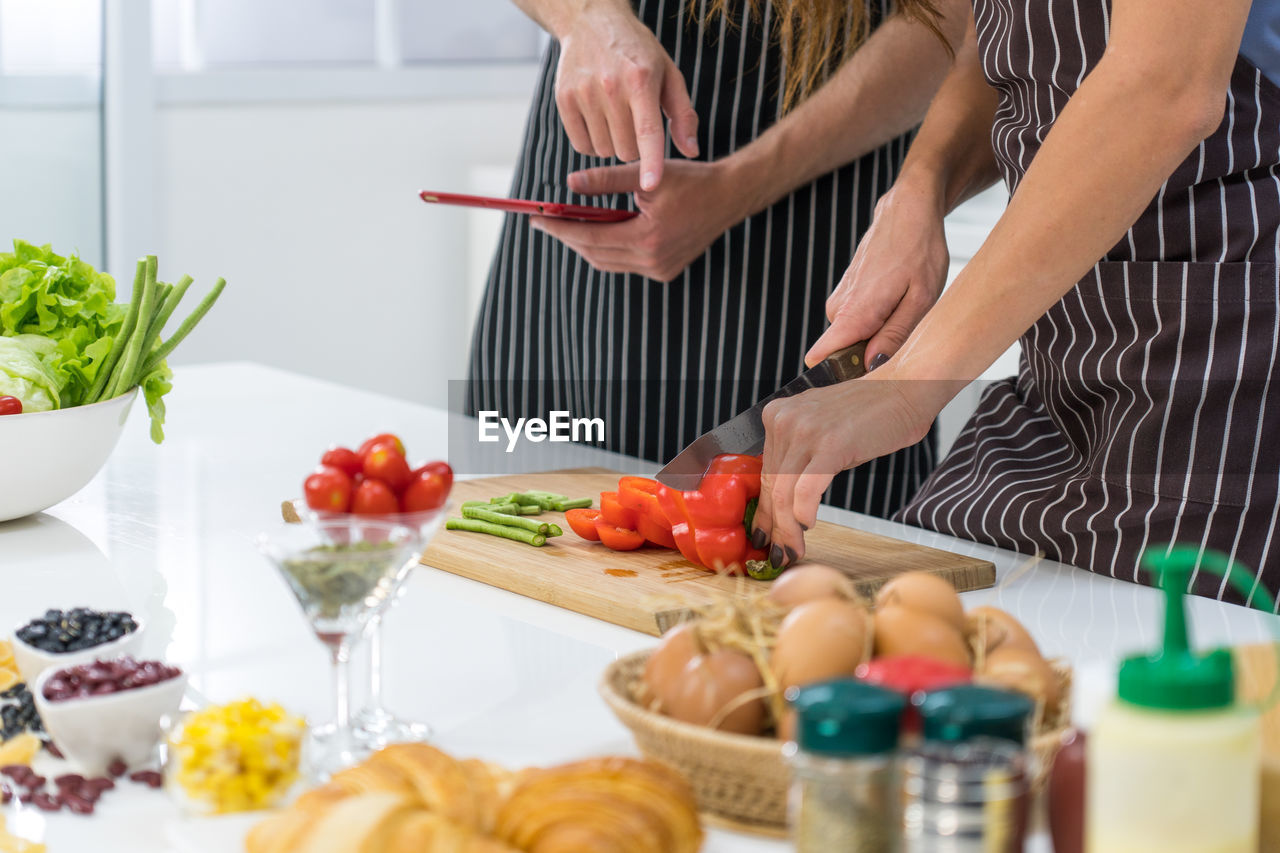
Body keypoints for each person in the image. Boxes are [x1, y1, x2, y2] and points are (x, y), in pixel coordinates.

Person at [752, 0, 1280, 602]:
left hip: (1230, 369)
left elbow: (1164, 87)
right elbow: (1011, 35)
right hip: (1061, 361)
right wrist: (921, 187)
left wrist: (907, 383)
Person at [467, 0, 964, 518]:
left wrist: (739, 186)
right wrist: (585, 17)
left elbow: (952, 20)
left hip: (815, 203)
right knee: (518, 517)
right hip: (596, 166)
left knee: (814, 550)